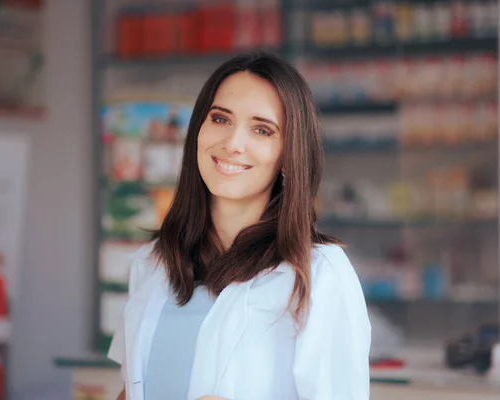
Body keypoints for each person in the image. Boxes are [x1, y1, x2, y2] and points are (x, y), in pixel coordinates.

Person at [108, 52, 371, 400]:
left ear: (288, 156)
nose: (233, 143)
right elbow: (133, 389)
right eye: (220, 119)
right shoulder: (154, 262)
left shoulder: (320, 275)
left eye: (262, 129)